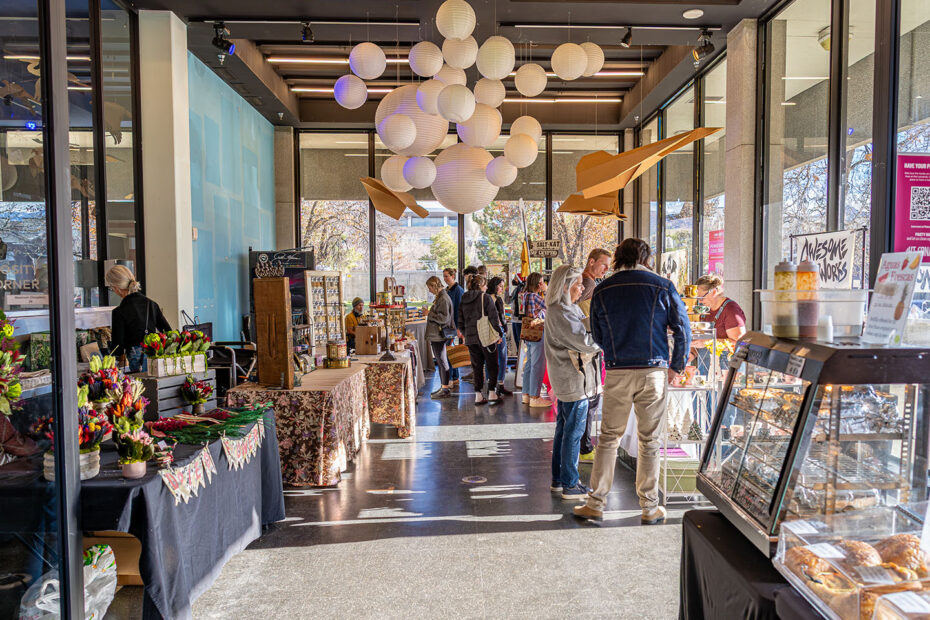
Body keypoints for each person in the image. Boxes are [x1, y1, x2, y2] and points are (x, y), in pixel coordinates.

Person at [573, 238, 691, 525]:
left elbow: (597, 332)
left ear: (617, 258)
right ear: (645, 258)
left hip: (617, 370)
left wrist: (614, 352)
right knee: (650, 440)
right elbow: (682, 328)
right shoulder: (663, 286)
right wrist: (676, 366)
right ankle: (650, 508)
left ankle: (596, 502)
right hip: (654, 372)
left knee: (609, 438)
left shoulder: (603, 289)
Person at [544, 265, 602, 500]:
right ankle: (570, 483)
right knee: (573, 432)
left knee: (564, 430)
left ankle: (559, 479)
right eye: (578, 285)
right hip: (574, 380)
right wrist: (604, 338)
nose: (582, 289)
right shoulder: (561, 312)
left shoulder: (566, 309)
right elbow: (585, 343)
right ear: (565, 287)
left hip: (572, 379)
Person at [577, 247, 611, 463]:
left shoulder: (586, 283)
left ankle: (583, 446)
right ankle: (585, 447)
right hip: (587, 349)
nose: (606, 269)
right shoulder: (588, 284)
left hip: (585, 348)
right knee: (590, 400)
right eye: (603, 264)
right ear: (591, 262)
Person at [106, 265, 172, 373]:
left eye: (111, 288)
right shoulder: (151, 304)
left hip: (137, 357)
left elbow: (118, 347)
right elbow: (168, 332)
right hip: (155, 353)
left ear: (116, 287)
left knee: (142, 383)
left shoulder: (119, 311)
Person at [457, 274, 504, 405]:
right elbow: (493, 318)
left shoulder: (463, 299)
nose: (487, 287)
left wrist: (467, 333)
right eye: (485, 285)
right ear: (480, 286)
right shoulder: (485, 297)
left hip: (471, 338)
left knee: (477, 366)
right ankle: (492, 393)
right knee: (492, 365)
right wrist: (499, 334)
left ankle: (478, 395)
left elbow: (460, 320)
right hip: (486, 337)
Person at [521, 272, 549, 408]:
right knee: (538, 365)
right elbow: (550, 304)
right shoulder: (535, 296)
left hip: (527, 332)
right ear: (539, 284)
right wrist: (546, 290)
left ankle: (526, 394)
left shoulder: (524, 295)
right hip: (537, 332)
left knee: (529, 364)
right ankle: (535, 397)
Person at [425, 276, 454, 399]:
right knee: (442, 361)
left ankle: (445, 389)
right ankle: (444, 387)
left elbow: (443, 319)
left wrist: (429, 314)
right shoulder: (442, 297)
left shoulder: (443, 298)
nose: (429, 290)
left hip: (438, 335)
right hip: (437, 334)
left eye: (429, 288)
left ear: (434, 286)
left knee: (442, 361)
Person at [696, 274, 747, 343]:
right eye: (698, 298)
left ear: (714, 292)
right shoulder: (706, 310)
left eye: (701, 297)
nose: (700, 301)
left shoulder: (731, 310)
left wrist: (707, 342)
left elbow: (738, 342)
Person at [487, 276, 512, 397]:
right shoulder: (494, 299)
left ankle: (492, 385)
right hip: (497, 330)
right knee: (501, 357)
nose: (502, 288)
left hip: (491, 330)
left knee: (491, 358)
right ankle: (498, 384)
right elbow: (499, 317)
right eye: (500, 286)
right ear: (495, 286)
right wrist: (502, 331)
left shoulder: (488, 298)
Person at [443, 267, 464, 386]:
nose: (445, 278)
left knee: (448, 352)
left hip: (453, 326)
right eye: (444, 276)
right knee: (450, 351)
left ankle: (450, 378)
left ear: (452, 276)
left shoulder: (458, 290)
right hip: (448, 325)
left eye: (447, 276)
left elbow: (459, 310)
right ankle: (454, 376)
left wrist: (459, 327)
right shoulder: (448, 290)